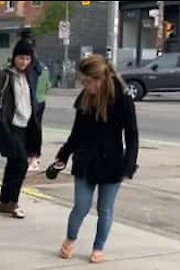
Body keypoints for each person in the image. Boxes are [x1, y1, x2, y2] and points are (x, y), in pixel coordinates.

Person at [53, 54, 138, 263]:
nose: (85, 86)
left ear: (100, 79)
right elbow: (76, 133)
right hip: (86, 160)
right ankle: (70, 239)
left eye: (88, 82)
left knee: (105, 209)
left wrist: (129, 165)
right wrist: (62, 156)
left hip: (112, 162)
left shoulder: (122, 99)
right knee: (81, 206)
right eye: (83, 82)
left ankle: (99, 247)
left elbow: (132, 134)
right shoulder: (85, 99)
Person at [0, 39, 41, 219]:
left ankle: (4, 202)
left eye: (27, 59)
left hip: (26, 126)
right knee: (21, 164)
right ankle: (13, 202)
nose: (24, 62)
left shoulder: (30, 76)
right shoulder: (5, 75)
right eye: (21, 58)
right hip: (11, 126)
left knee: (13, 165)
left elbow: (34, 99)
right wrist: (1, 121)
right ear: (14, 57)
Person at [25, 45, 51, 172]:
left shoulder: (37, 68)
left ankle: (33, 156)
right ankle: (32, 156)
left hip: (34, 103)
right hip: (33, 102)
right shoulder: (41, 67)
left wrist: (36, 102)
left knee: (33, 129)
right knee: (32, 129)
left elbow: (44, 87)